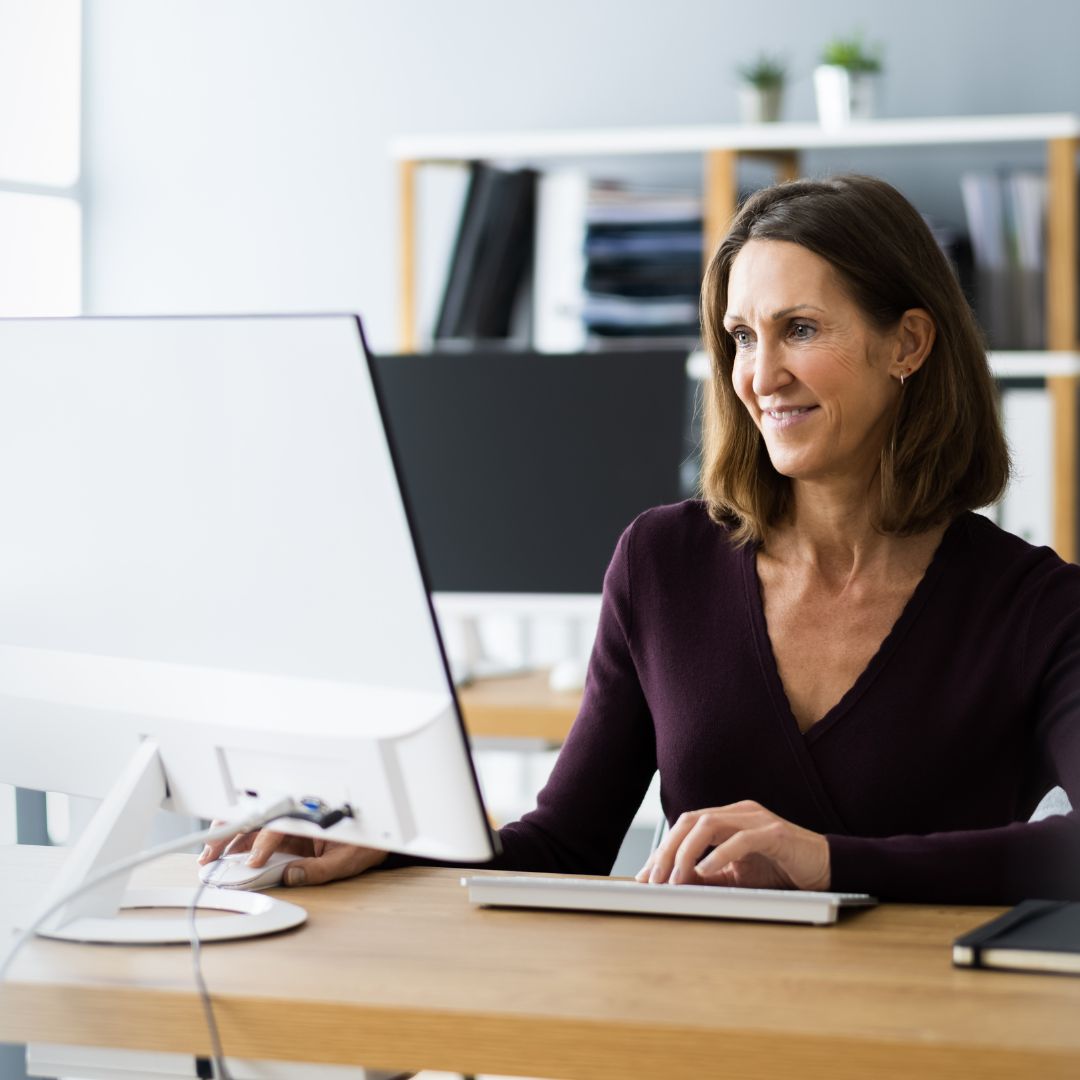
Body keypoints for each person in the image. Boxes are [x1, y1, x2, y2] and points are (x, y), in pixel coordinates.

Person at [201, 174, 1080, 903]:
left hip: (930, 1042)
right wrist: (394, 847)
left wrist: (828, 861)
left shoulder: (1035, 607)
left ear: (909, 344)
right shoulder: (664, 562)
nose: (760, 375)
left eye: (800, 329)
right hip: (687, 1030)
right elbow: (568, 840)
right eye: (741, 335)